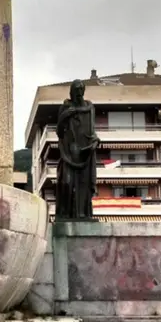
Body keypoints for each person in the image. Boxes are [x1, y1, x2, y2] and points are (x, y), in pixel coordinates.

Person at [55, 79, 100, 220]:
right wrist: (65, 116)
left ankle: (83, 214)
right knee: (66, 183)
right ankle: (65, 214)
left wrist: (95, 141)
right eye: (76, 90)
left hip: (85, 154)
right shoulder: (65, 107)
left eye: (81, 89)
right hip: (69, 152)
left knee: (84, 185)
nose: (79, 92)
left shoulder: (90, 108)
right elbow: (59, 132)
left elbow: (92, 131)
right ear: (71, 92)